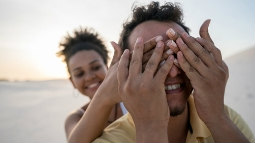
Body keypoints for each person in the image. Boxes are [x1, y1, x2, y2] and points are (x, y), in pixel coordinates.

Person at [90, 1, 255, 143]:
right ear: (124, 73)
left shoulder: (226, 119)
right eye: (151, 61)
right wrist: (151, 126)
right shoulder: (112, 139)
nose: (173, 72)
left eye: (179, 55)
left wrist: (217, 118)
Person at [56, 27, 126, 140]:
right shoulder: (75, 118)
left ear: (107, 68)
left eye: (96, 67)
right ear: (72, 82)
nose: (89, 77)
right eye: (79, 73)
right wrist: (105, 95)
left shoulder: (130, 100)